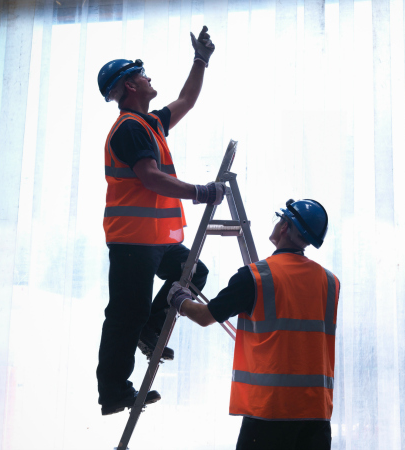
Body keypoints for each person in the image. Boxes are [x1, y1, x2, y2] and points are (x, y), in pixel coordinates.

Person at [95, 26, 225, 416]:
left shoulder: (149, 123)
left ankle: (151, 331)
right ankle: (115, 392)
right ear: (130, 85)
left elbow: (187, 99)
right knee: (124, 314)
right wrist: (199, 191)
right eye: (143, 73)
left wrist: (201, 60)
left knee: (192, 273)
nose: (150, 77)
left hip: (155, 238)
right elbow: (150, 177)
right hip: (133, 240)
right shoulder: (131, 129)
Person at [169, 199, 340, 450]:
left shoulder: (256, 277)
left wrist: (179, 300)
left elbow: (205, 316)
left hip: (269, 413)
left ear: (284, 228)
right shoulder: (330, 282)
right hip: (316, 414)